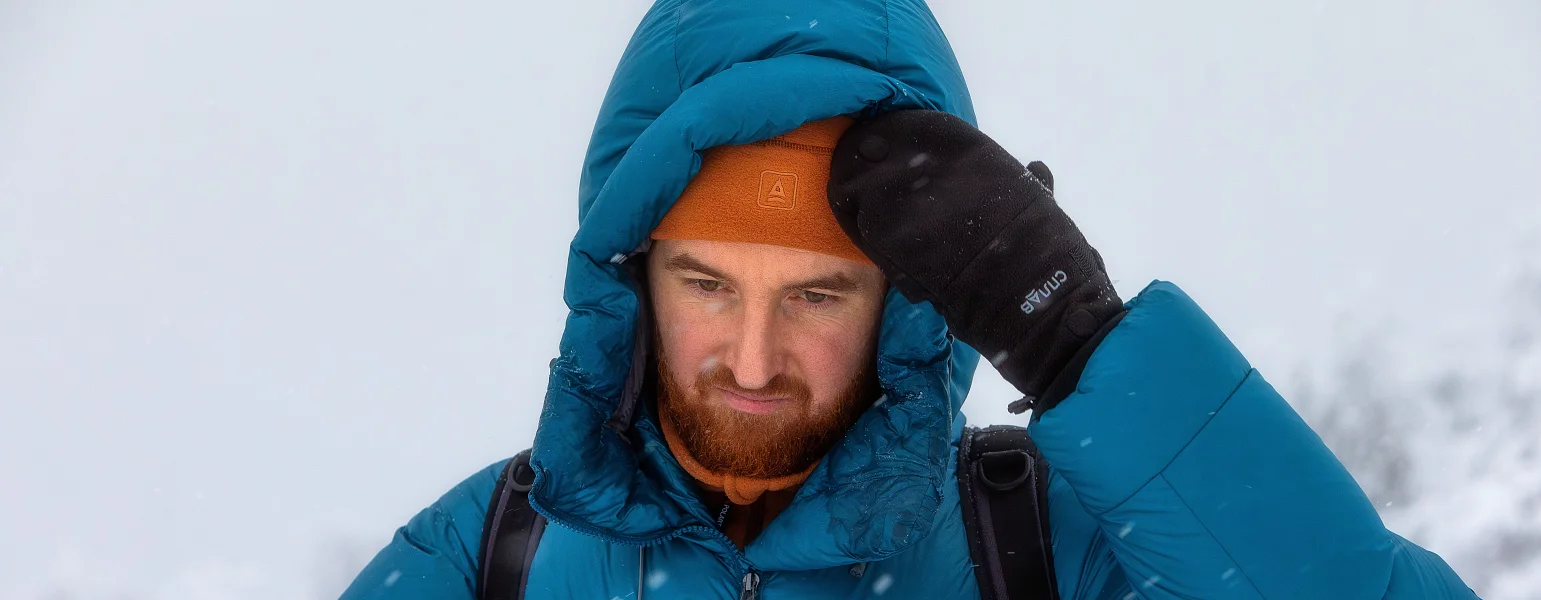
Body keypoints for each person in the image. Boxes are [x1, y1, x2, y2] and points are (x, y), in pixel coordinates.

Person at [341, 1, 1478, 598]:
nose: (751, 359)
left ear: (902, 306)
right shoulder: (493, 555)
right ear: (629, 277)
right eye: (706, 284)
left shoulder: (1045, 545)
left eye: (817, 295)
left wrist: (1084, 348)